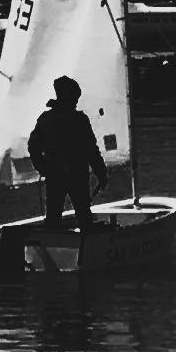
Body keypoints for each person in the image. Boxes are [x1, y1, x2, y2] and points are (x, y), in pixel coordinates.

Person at [26, 72, 104, 241]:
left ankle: (51, 249)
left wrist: (43, 168)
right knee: (83, 217)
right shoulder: (79, 120)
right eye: (75, 98)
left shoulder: (46, 119)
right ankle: (86, 249)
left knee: (54, 219)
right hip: (72, 175)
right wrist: (101, 173)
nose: (76, 102)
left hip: (57, 176)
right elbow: (91, 150)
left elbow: (33, 147)